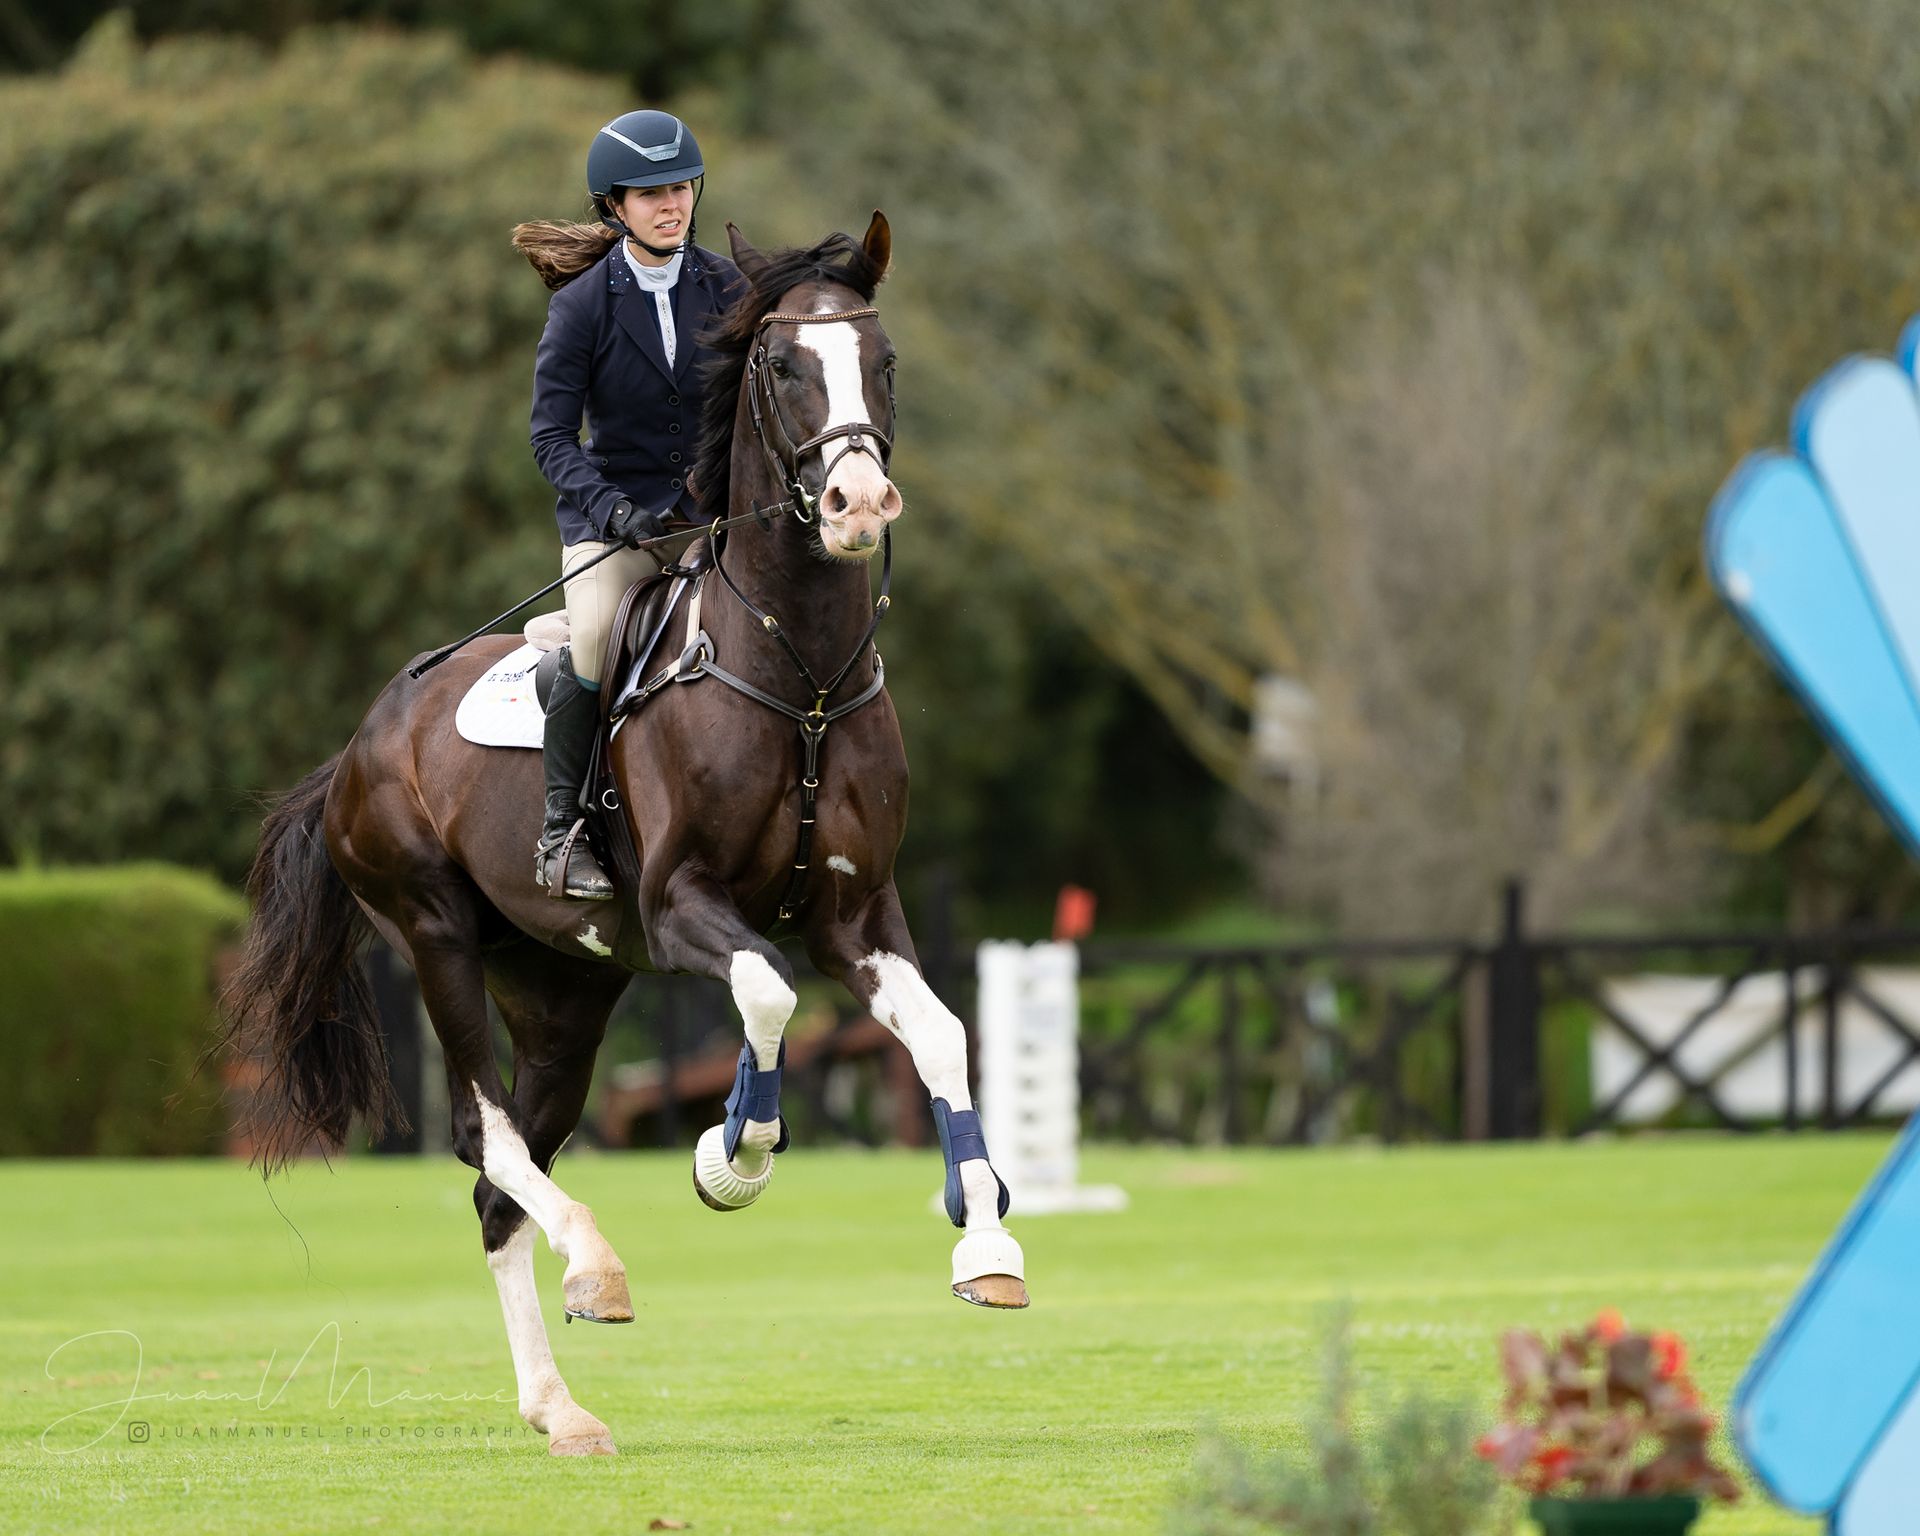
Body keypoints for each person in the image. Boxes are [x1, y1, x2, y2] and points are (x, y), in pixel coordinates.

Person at [511, 110, 747, 900]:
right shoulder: (582, 306)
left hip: (709, 517)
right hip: (615, 522)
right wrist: (612, 513)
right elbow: (550, 438)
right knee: (593, 648)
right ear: (615, 206)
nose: (670, 203)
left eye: (679, 186)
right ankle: (562, 833)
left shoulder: (729, 287)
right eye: (650, 193)